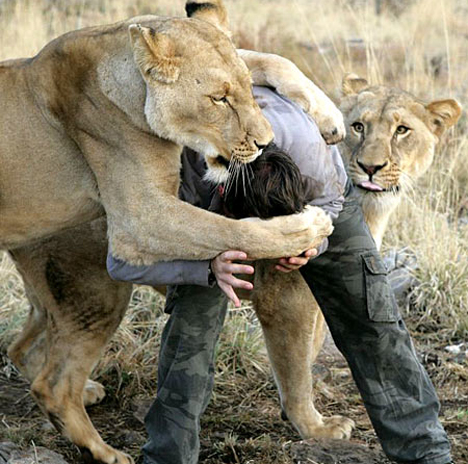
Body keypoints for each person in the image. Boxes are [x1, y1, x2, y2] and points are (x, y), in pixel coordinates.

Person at [107, 86, 453, 464]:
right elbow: (121, 259)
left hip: (320, 203)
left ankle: (426, 452)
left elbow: (332, 202)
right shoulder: (182, 178)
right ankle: (167, 456)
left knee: (372, 313)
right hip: (208, 219)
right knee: (191, 327)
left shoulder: (310, 151)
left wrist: (311, 244)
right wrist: (206, 267)